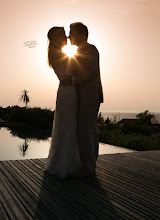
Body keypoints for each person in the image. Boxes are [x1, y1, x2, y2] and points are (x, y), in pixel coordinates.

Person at [44, 27, 81, 179]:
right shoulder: (58, 54)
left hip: (66, 91)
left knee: (66, 126)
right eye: (64, 34)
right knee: (68, 126)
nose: (67, 36)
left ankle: (65, 163)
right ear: (57, 37)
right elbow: (68, 75)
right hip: (68, 91)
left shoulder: (56, 53)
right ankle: (67, 166)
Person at [68, 22, 104, 178]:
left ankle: (88, 167)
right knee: (89, 130)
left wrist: (73, 81)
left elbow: (90, 72)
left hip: (89, 96)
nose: (69, 36)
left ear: (82, 34)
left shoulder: (90, 49)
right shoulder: (79, 51)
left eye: (72, 32)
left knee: (85, 131)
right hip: (87, 96)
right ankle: (90, 165)